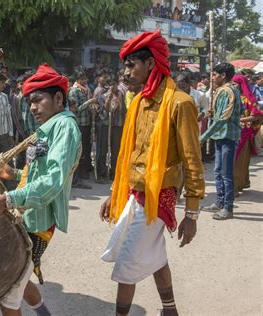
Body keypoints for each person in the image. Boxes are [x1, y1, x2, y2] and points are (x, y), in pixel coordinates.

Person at [99, 30, 205, 316]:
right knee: (154, 255)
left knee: (126, 264)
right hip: (135, 191)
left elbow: (193, 162)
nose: (126, 71)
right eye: (125, 65)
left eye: (131, 64)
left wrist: (192, 214)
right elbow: (128, 156)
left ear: (151, 64)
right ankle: (170, 310)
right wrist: (113, 193)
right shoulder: (138, 102)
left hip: (161, 195)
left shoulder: (180, 103)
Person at [0, 64, 81, 316]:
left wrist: (6, 199)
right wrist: (16, 175)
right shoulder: (49, 127)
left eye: (37, 100)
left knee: (8, 289)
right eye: (29, 101)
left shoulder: (65, 127)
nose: (31, 107)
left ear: (59, 98)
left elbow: (54, 180)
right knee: (17, 274)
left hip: (38, 220)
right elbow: (40, 173)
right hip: (28, 214)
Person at [200, 63, 243, 220]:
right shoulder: (230, 91)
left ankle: (227, 207)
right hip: (221, 136)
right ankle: (219, 201)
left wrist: (203, 137)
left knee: (226, 174)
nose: (212, 77)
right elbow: (240, 110)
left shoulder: (227, 92)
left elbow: (221, 120)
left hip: (227, 137)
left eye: (215, 75)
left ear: (223, 75)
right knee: (218, 171)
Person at [231, 75, 262, 194]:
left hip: (244, 134)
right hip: (231, 132)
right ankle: (241, 182)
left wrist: (239, 120)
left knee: (239, 161)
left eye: (235, 84)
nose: (232, 86)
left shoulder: (249, 99)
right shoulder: (231, 96)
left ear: (240, 84)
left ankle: (235, 186)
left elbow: (257, 116)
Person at [68, 69, 93, 180]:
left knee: (87, 148)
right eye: (83, 78)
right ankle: (78, 175)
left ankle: (85, 171)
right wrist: (89, 102)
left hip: (86, 122)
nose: (85, 80)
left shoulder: (85, 90)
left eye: (85, 78)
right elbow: (76, 109)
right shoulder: (74, 91)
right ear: (78, 79)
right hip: (79, 123)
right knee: (80, 150)